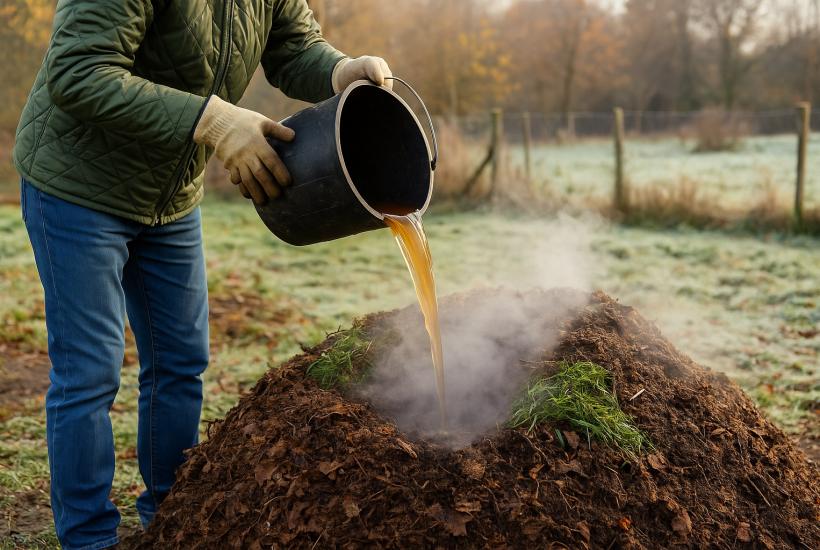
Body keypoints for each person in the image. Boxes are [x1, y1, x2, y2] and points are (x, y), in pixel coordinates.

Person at [13, 1, 391, 548]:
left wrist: (339, 70)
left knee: (180, 363)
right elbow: (80, 71)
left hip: (168, 195)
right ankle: (89, 537)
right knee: (90, 374)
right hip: (79, 187)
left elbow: (292, 48)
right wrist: (212, 120)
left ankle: (170, 519)